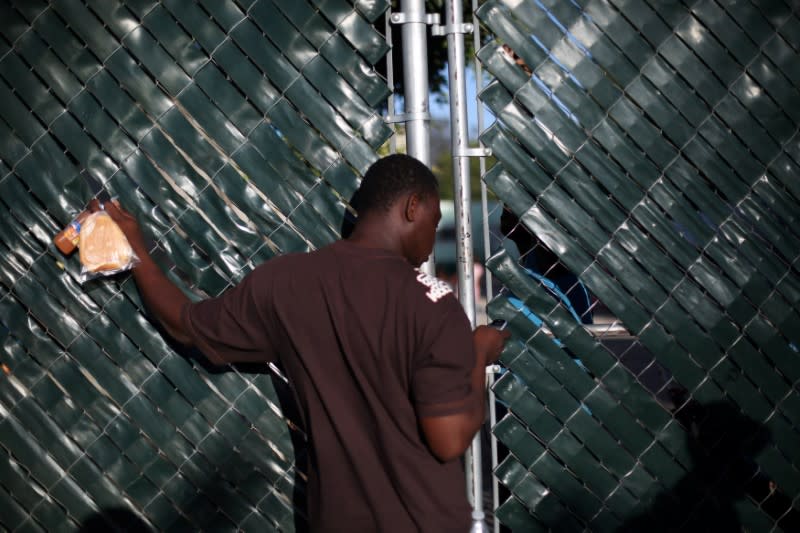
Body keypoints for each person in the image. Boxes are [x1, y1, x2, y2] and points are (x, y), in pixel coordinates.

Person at [96, 154, 510, 533]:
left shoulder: (284, 284)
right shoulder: (434, 305)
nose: (430, 241)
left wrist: (138, 253)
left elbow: (186, 326)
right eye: (433, 222)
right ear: (412, 206)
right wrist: (479, 353)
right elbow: (449, 438)